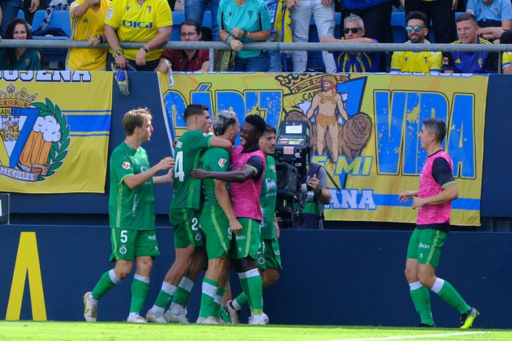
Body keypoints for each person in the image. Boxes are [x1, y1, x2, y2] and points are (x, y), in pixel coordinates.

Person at [83, 108, 175, 323]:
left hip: (145, 218)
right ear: (137, 129)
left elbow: (143, 181)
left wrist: (164, 178)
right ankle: (92, 297)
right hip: (124, 219)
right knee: (123, 270)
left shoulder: (142, 153)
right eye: (148, 125)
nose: (151, 129)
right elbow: (132, 182)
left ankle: (134, 314)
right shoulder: (120, 154)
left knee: (146, 263)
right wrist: (158, 167)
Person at [146, 104, 233, 323]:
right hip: (185, 206)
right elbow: (226, 143)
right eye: (206, 117)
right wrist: (213, 137)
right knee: (184, 260)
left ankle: (176, 310)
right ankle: (156, 310)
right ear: (194, 119)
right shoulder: (194, 136)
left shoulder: (185, 141)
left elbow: (175, 176)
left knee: (197, 259)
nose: (209, 121)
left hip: (187, 205)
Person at [398, 118, 479, 329]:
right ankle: (427, 322)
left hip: (434, 227)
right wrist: (415, 193)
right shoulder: (432, 159)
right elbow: (435, 187)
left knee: (425, 276)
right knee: (410, 272)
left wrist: (422, 200)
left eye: (422, 131)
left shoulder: (439, 160)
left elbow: (452, 192)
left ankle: (467, 310)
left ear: (432, 136)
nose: (419, 135)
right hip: (422, 225)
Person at [191, 114, 268, 325]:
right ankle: (216, 313)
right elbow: (213, 141)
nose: (242, 133)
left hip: (247, 216)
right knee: (230, 262)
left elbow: (243, 176)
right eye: (241, 128)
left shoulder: (258, 158)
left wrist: (209, 174)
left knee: (247, 262)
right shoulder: (235, 151)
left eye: (247, 131)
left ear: (258, 135)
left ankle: (258, 314)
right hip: (230, 215)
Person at [226, 124, 282, 324]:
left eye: (274, 137)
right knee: (253, 269)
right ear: (257, 139)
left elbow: (267, 194)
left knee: (272, 274)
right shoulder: (248, 159)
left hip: (267, 225)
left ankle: (235, 305)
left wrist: (274, 220)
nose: (273, 142)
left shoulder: (272, 161)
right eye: (268, 138)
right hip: (252, 223)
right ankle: (254, 314)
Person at [196, 110, 241, 324]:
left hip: (217, 211)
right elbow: (219, 187)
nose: (240, 130)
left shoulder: (220, 149)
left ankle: (213, 313)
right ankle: (205, 314)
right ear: (231, 129)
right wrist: (232, 218)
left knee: (223, 263)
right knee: (216, 263)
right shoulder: (219, 152)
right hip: (215, 211)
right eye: (238, 126)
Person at [103, 0, 172, 71]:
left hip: (151, 59)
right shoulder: (119, 1)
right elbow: (108, 28)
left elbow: (165, 33)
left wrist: (145, 48)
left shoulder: (161, 2)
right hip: (121, 58)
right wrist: (118, 52)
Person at [218, 0, 271, 72]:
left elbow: (266, 34)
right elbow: (222, 31)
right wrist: (231, 40)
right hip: (233, 57)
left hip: (257, 57)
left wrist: (245, 34)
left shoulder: (260, 5)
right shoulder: (224, 3)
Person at [341, 0, 392, 72]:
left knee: (375, 48)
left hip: (376, 4)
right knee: (348, 38)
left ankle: (378, 78)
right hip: (351, 5)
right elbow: (325, 41)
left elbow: (371, 43)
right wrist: (339, 42)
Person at [306, 75, 348, 163]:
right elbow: (312, 108)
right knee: (320, 139)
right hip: (321, 118)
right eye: (324, 83)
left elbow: (341, 110)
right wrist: (306, 118)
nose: (325, 85)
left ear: (332, 84)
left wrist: (347, 120)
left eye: (327, 83)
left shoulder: (337, 96)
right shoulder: (318, 95)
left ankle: (335, 158)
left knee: (335, 139)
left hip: (332, 119)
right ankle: (320, 157)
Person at [286, 0, 336, 73]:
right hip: (300, 2)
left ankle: (333, 75)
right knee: (299, 38)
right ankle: (298, 76)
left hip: (322, 2)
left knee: (328, 38)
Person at [67, 0, 111, 71]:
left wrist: (100, 39)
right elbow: (75, 13)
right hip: (75, 65)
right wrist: (88, 3)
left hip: (100, 65)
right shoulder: (76, 3)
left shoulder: (109, 5)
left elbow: (113, 33)